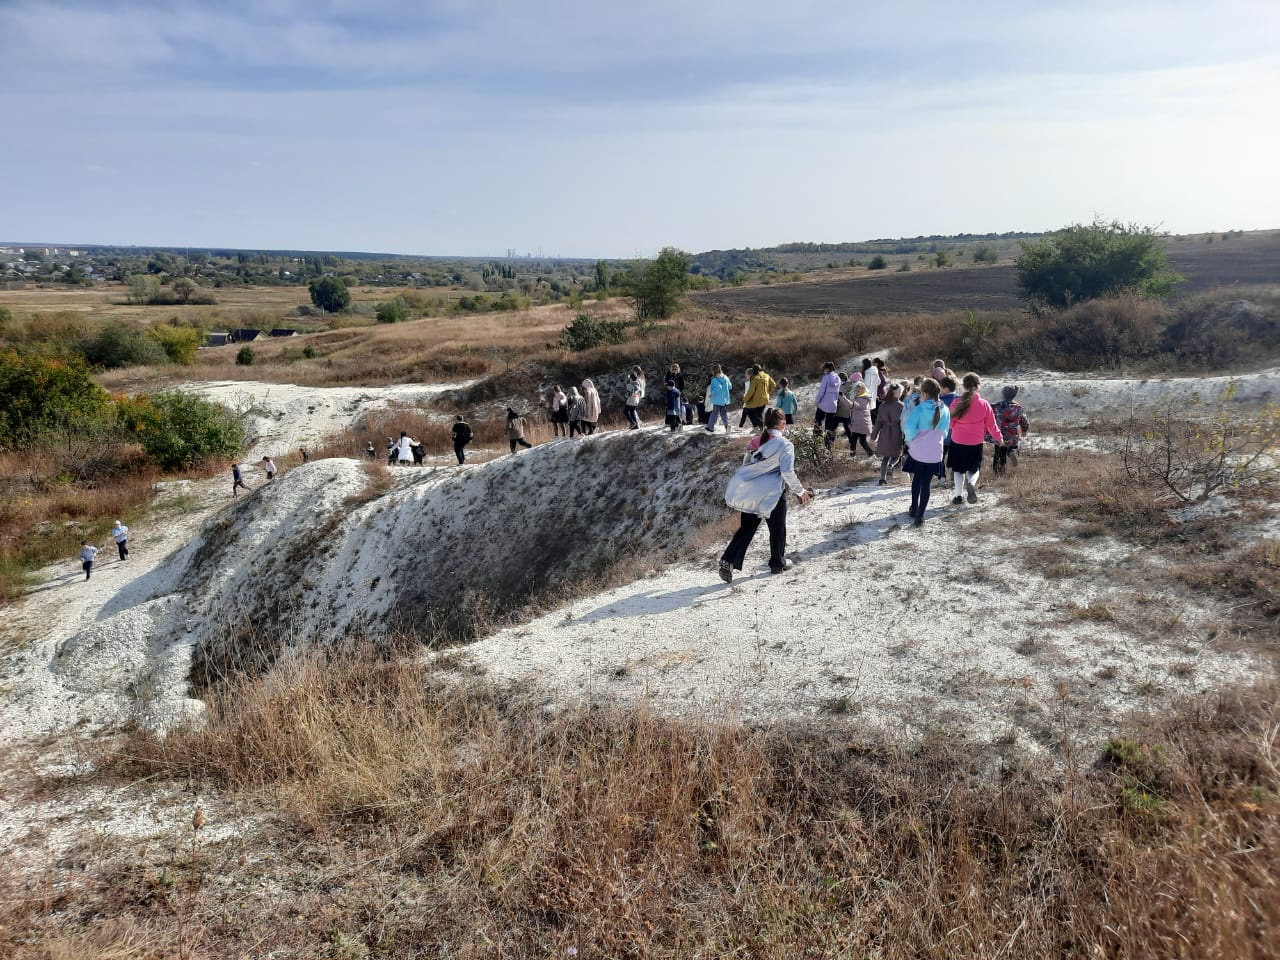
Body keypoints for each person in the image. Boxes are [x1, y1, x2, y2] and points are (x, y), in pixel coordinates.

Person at [718, 407, 813, 582]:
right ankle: (777, 563)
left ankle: (728, 559)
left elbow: (747, 466)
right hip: (772, 492)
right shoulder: (785, 445)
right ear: (783, 423)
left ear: (765, 423)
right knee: (777, 529)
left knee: (747, 528)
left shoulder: (754, 442)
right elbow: (787, 472)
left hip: (751, 492)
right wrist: (800, 491)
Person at [946, 373, 1003, 505]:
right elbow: (991, 425)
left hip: (958, 441)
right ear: (978, 386)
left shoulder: (956, 402)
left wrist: (956, 427)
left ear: (964, 386)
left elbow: (950, 422)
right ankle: (971, 483)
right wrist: (999, 438)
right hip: (975, 442)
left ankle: (958, 496)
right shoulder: (984, 404)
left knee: (958, 470)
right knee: (974, 469)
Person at [902, 378, 951, 527]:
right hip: (935, 453)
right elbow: (945, 433)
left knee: (917, 479)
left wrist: (910, 440)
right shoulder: (945, 409)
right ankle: (920, 516)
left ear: (924, 393)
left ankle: (913, 508)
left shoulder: (919, 409)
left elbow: (909, 429)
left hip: (918, 451)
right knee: (926, 483)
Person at [992, 385, 1030, 475]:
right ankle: (1012, 452)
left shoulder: (997, 406)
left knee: (999, 454)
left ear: (1003, 394)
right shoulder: (1018, 408)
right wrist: (1024, 430)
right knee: (1013, 447)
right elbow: (1024, 420)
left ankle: (999, 472)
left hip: (1000, 435)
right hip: (1013, 435)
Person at [871, 383, 905, 484]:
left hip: (884, 432)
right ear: (897, 393)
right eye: (900, 392)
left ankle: (882, 478)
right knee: (897, 454)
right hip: (897, 432)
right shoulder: (901, 406)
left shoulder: (883, 405)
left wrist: (873, 436)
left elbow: (878, 422)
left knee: (885, 457)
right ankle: (891, 465)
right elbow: (904, 422)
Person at [742, 364, 776, 429]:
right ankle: (762, 428)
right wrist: (767, 392)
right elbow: (774, 384)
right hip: (766, 399)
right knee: (759, 414)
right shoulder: (767, 375)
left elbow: (751, 391)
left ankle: (761, 429)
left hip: (757, 400)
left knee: (751, 411)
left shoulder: (755, 379)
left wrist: (745, 400)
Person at [813, 361, 842, 438]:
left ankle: (817, 440)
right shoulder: (838, 378)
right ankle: (829, 442)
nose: (823, 370)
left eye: (824, 369)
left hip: (823, 404)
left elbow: (821, 392)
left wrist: (817, 401)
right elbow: (838, 392)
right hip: (833, 404)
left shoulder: (826, 378)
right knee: (829, 426)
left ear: (828, 369)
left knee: (817, 422)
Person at [705, 363, 733, 434]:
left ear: (714, 371)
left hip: (717, 400)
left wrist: (712, 394)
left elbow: (718, 388)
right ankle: (727, 426)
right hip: (725, 400)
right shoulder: (725, 377)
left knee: (714, 413)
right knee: (723, 414)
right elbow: (730, 387)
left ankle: (710, 427)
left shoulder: (714, 379)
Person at [848, 382, 875, 457]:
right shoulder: (862, 398)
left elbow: (851, 406)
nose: (857, 391)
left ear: (863, 390)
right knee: (862, 441)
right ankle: (870, 453)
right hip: (861, 424)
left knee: (854, 440)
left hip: (860, 424)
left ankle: (852, 455)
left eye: (858, 390)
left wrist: (843, 398)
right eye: (856, 390)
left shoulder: (861, 399)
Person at [863, 358, 882, 423]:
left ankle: (868, 425)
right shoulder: (875, 370)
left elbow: (866, 385)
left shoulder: (867, 373)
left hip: (866, 394)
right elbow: (879, 382)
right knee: (871, 410)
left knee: (867, 411)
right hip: (873, 393)